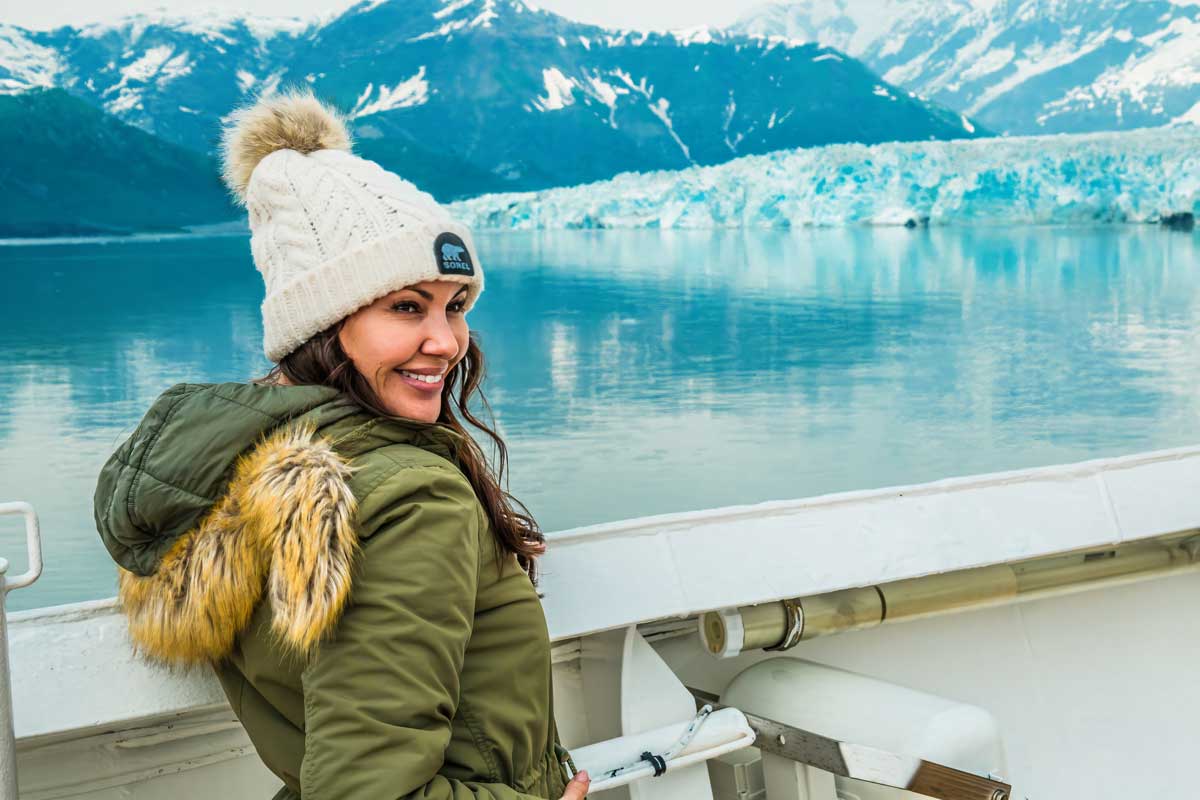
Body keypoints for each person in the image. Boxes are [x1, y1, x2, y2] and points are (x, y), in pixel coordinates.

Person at [92, 87, 590, 800]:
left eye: (454, 306)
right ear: (323, 323)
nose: (446, 342)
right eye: (406, 307)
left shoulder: (253, 467)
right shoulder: (409, 499)